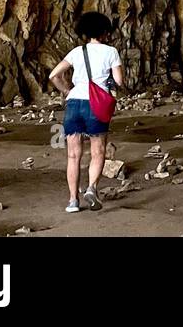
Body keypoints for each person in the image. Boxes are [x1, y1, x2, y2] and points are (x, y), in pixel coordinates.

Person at [48, 11, 124, 213]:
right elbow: (118, 81)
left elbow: (54, 75)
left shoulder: (76, 52)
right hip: (96, 105)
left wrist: (67, 90)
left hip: (74, 104)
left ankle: (73, 201)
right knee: (98, 151)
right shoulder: (111, 52)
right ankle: (91, 188)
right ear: (105, 31)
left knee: (73, 155)